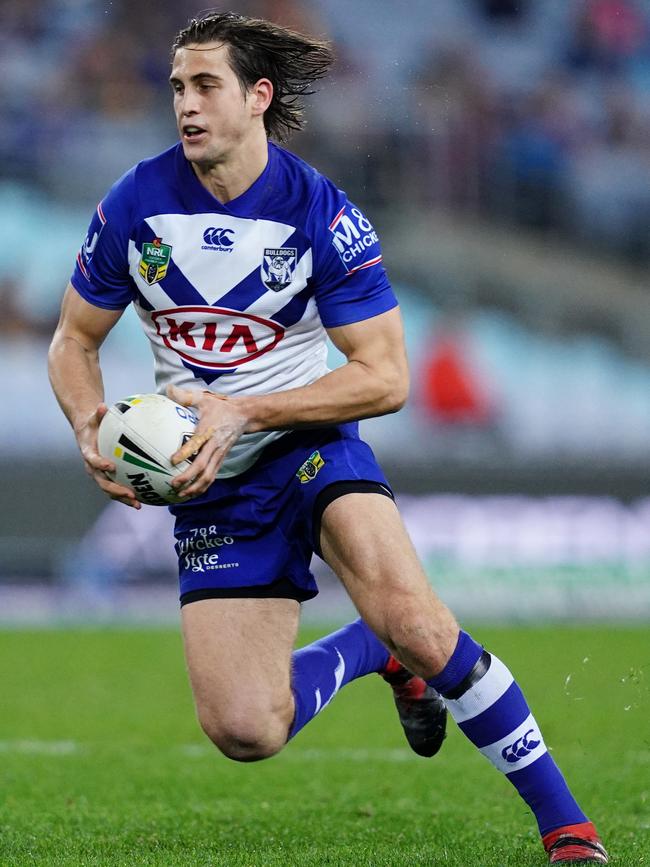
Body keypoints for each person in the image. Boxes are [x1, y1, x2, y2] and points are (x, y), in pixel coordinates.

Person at [47, 11, 608, 864]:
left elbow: (385, 375)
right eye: (176, 88)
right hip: (212, 483)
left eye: (206, 87)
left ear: (257, 96)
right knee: (245, 728)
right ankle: (368, 650)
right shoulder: (135, 202)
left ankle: (569, 828)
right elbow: (73, 340)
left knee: (422, 622)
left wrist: (250, 409)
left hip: (310, 446)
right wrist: (90, 422)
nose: (186, 106)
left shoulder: (319, 211)